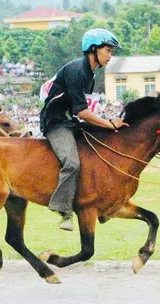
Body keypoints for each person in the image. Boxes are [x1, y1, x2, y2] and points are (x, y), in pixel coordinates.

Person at [39, 28, 129, 231]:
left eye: (111, 51)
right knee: (72, 163)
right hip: (55, 123)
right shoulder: (77, 71)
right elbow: (81, 111)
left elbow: (84, 110)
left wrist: (110, 127)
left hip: (71, 122)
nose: (110, 55)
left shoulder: (90, 74)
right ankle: (63, 210)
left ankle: (103, 204)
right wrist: (108, 123)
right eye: (108, 50)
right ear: (93, 49)